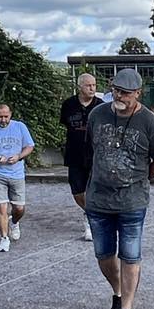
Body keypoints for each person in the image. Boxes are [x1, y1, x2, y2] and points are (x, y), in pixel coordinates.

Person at [83, 67, 154, 309]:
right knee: (104, 254)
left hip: (132, 200)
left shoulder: (150, 123)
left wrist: (141, 177)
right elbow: (90, 149)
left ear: (138, 93)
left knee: (131, 255)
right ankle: (118, 291)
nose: (119, 96)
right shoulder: (97, 115)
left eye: (125, 93)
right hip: (98, 199)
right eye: (116, 90)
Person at [0, 103, 35, 251]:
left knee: (19, 208)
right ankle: (4, 238)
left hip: (17, 173)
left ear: (11, 115)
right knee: (1, 207)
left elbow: (29, 146)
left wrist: (19, 156)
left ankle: (14, 222)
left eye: (6, 116)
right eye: (0, 116)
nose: (3, 120)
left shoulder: (20, 127)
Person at [61, 73, 105, 241]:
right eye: (88, 85)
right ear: (80, 86)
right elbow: (66, 124)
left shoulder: (101, 106)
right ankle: (90, 212)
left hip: (96, 155)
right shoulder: (68, 105)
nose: (92, 88)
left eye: (94, 85)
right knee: (77, 191)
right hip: (74, 154)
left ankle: (91, 220)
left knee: (95, 189)